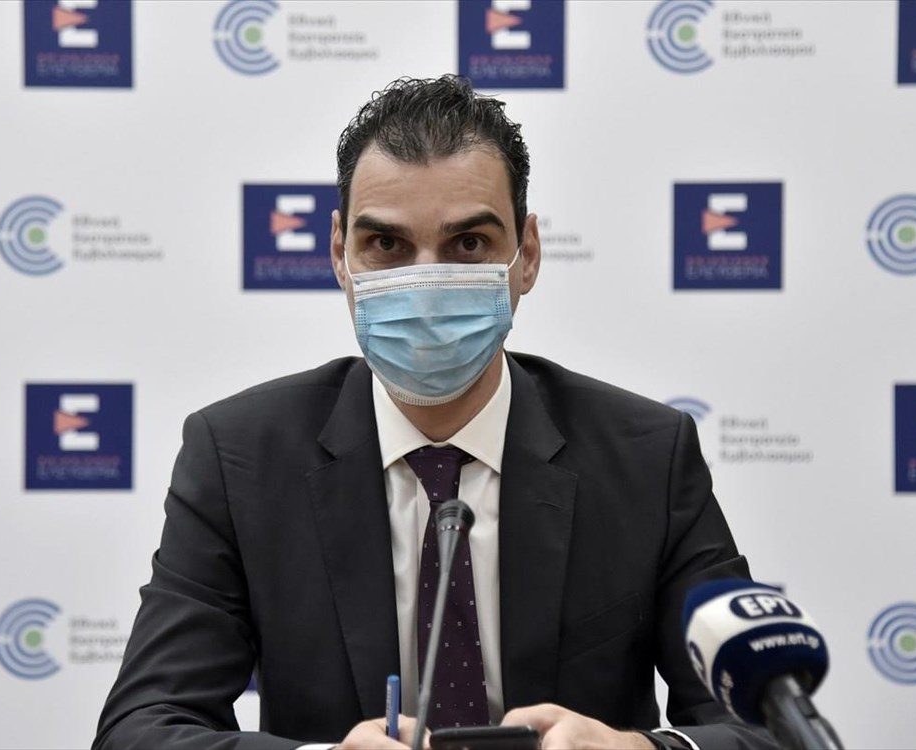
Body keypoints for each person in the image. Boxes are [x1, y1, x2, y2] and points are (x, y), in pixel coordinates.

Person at [93, 76, 774, 750]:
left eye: (468, 244)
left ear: (527, 255)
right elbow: (140, 730)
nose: (425, 284)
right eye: (387, 246)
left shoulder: (647, 456)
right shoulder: (239, 457)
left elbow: (765, 726)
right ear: (339, 255)